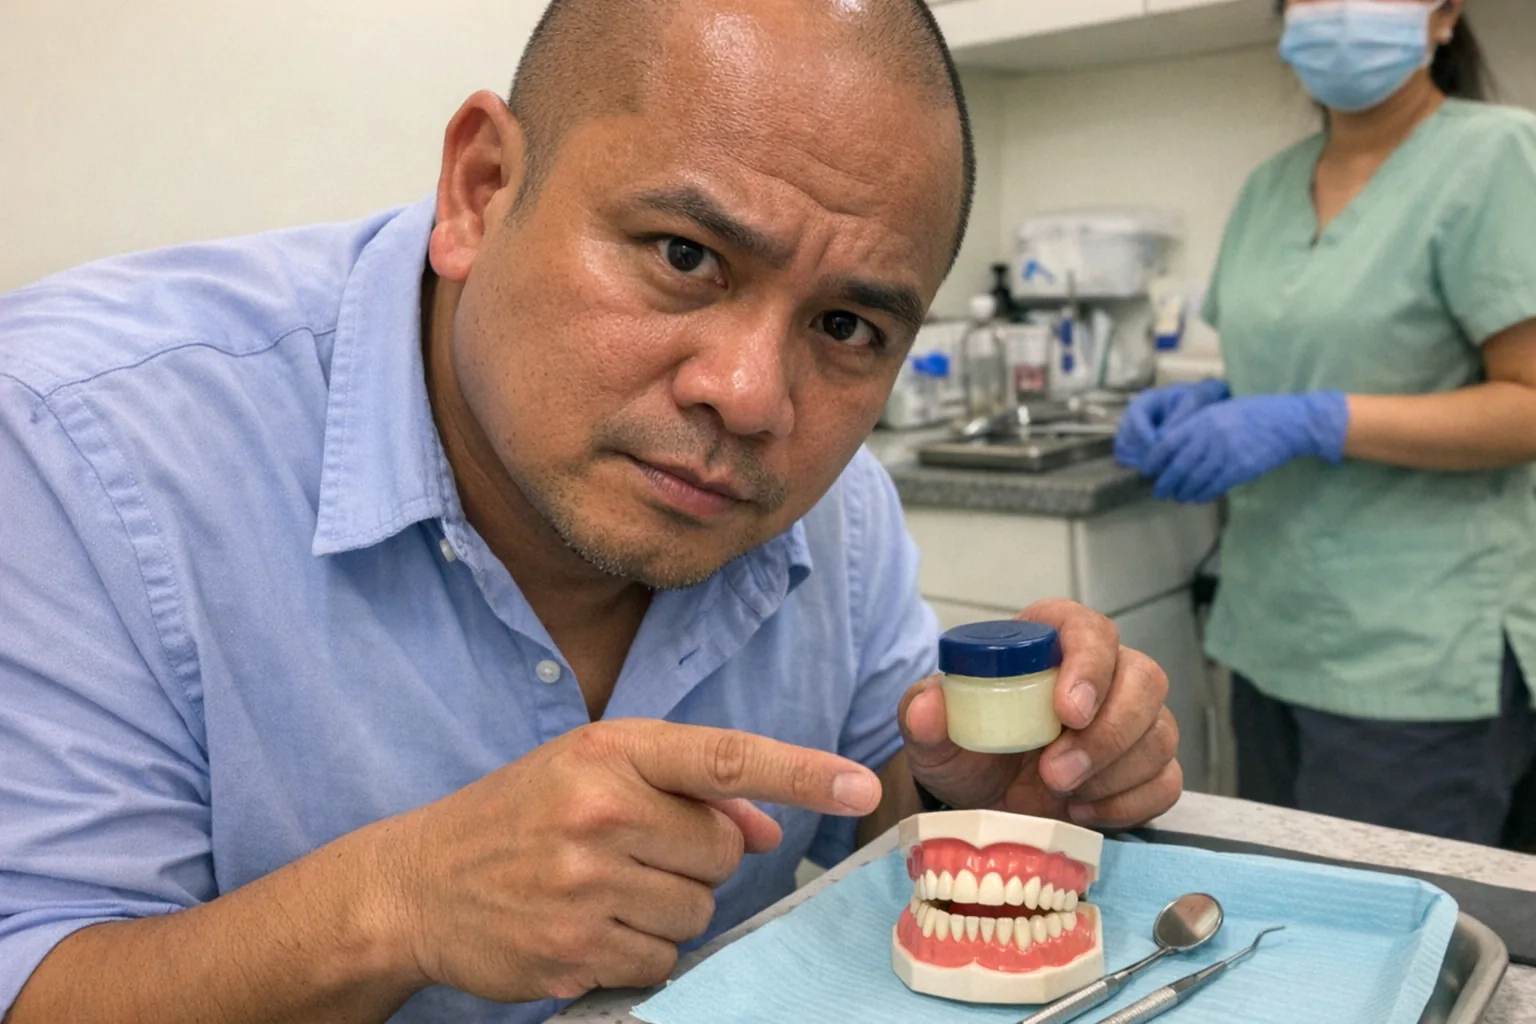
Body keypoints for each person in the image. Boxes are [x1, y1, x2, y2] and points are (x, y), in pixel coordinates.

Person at [0, 1, 1183, 1021]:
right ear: (480, 189)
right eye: (683, 254)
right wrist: (399, 902)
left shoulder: (836, 508)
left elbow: (877, 797)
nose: (752, 395)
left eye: (846, 328)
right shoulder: (72, 443)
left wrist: (977, 797)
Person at [1116, 0, 1536, 847]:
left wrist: (1316, 419)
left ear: (1444, 16)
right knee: (1293, 919)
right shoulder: (1271, 184)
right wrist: (1221, 401)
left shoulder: (1497, 155)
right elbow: (1307, 363)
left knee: (1400, 947)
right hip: (1273, 631)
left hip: (1418, 653)